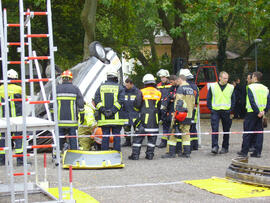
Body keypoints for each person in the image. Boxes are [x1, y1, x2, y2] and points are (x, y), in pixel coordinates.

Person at [129, 74, 161, 160]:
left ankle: (135, 155)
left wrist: (138, 110)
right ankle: (150, 155)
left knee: (138, 139)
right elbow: (159, 107)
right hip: (155, 119)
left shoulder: (141, 91)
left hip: (143, 119)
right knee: (152, 139)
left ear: (145, 82)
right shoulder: (158, 92)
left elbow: (136, 105)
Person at [162, 74, 195, 158]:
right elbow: (193, 103)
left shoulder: (180, 89)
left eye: (177, 80)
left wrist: (175, 116)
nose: (177, 82)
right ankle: (186, 153)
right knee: (186, 133)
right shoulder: (191, 89)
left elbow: (178, 103)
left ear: (180, 79)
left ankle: (171, 152)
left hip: (180, 115)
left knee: (173, 133)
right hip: (189, 114)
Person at [238, 72, 270, 158]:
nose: (251, 79)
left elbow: (252, 101)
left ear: (255, 78)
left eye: (252, 77)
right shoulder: (266, 88)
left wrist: (257, 112)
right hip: (261, 113)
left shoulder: (250, 87)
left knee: (248, 132)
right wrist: (264, 111)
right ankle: (258, 152)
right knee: (259, 133)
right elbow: (268, 102)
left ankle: (244, 152)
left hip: (252, 113)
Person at [94, 67, 125, 152]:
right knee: (116, 137)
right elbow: (121, 101)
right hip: (116, 119)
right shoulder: (120, 88)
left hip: (104, 119)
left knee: (105, 137)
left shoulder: (100, 87)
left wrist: (104, 111)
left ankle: (104, 154)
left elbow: (97, 100)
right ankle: (116, 155)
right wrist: (112, 111)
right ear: (115, 77)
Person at [53, 70, 85, 152]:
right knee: (73, 138)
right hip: (72, 121)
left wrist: (53, 117)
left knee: (59, 137)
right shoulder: (75, 89)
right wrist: (82, 116)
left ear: (62, 79)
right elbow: (81, 104)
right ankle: (73, 153)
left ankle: (58, 154)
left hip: (59, 121)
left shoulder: (56, 89)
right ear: (71, 79)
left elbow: (51, 105)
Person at [207, 71, 235, 154]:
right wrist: (211, 109)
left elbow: (233, 100)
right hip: (215, 111)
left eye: (227, 78)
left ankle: (225, 147)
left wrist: (230, 110)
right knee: (215, 129)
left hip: (226, 111)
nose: (226, 80)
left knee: (226, 130)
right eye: (224, 78)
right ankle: (215, 146)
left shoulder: (231, 87)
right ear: (220, 78)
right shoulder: (213, 86)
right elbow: (209, 98)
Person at [0, 69, 24, 166]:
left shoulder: (1, 88)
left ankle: (2, 160)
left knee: (3, 139)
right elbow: (25, 99)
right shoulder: (19, 89)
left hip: (3, 119)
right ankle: (20, 161)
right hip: (17, 119)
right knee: (19, 139)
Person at [179, 68, 199, 151]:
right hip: (194, 110)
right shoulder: (195, 86)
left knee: (187, 128)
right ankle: (195, 145)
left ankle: (188, 146)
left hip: (187, 110)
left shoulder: (185, 86)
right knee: (193, 127)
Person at [156, 69, 172, 148]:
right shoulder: (158, 85)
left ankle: (167, 142)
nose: (162, 79)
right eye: (161, 77)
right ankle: (164, 142)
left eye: (164, 77)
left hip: (169, 108)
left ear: (167, 77)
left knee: (168, 125)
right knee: (163, 125)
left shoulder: (171, 85)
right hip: (160, 108)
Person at [122, 78, 139, 147]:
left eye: (127, 85)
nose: (126, 86)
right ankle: (127, 141)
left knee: (136, 129)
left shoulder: (137, 91)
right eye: (125, 85)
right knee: (126, 129)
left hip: (135, 113)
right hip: (126, 113)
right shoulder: (123, 91)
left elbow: (139, 102)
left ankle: (136, 142)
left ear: (131, 84)